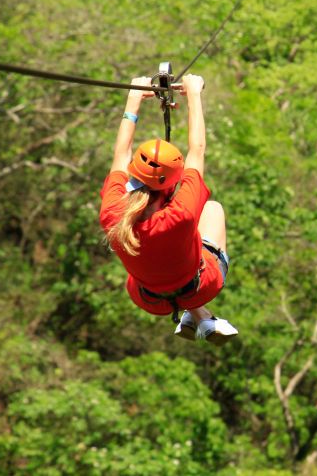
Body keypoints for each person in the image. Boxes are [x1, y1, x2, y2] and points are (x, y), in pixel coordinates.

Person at [98, 74, 237, 345]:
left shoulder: (112, 213)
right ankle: (197, 311)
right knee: (212, 209)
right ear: (170, 186)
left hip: (148, 298)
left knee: (157, 263)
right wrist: (194, 93)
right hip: (200, 286)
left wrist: (133, 98)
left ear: (132, 175)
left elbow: (120, 155)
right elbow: (197, 150)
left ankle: (199, 316)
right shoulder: (180, 214)